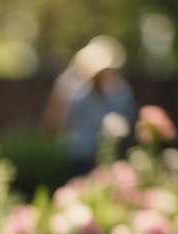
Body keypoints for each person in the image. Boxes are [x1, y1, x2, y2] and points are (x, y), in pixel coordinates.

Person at [54, 37, 137, 175]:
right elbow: (62, 122)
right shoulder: (78, 92)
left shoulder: (120, 91)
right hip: (80, 156)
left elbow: (129, 117)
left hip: (112, 154)